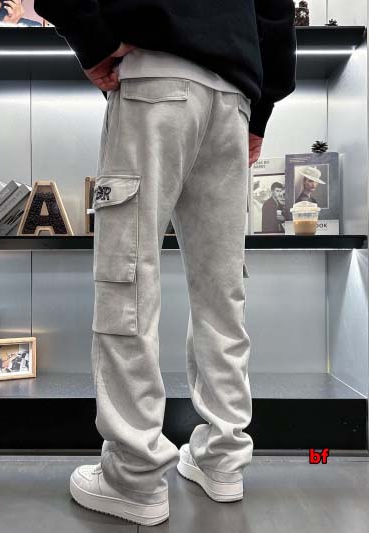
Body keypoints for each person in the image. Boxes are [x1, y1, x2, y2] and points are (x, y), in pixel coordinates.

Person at [34, 0, 297, 527]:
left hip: (156, 76)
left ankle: (133, 477)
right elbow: (275, 11)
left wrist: (92, 39)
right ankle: (223, 459)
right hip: (233, 98)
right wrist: (261, 109)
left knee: (128, 277)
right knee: (222, 289)